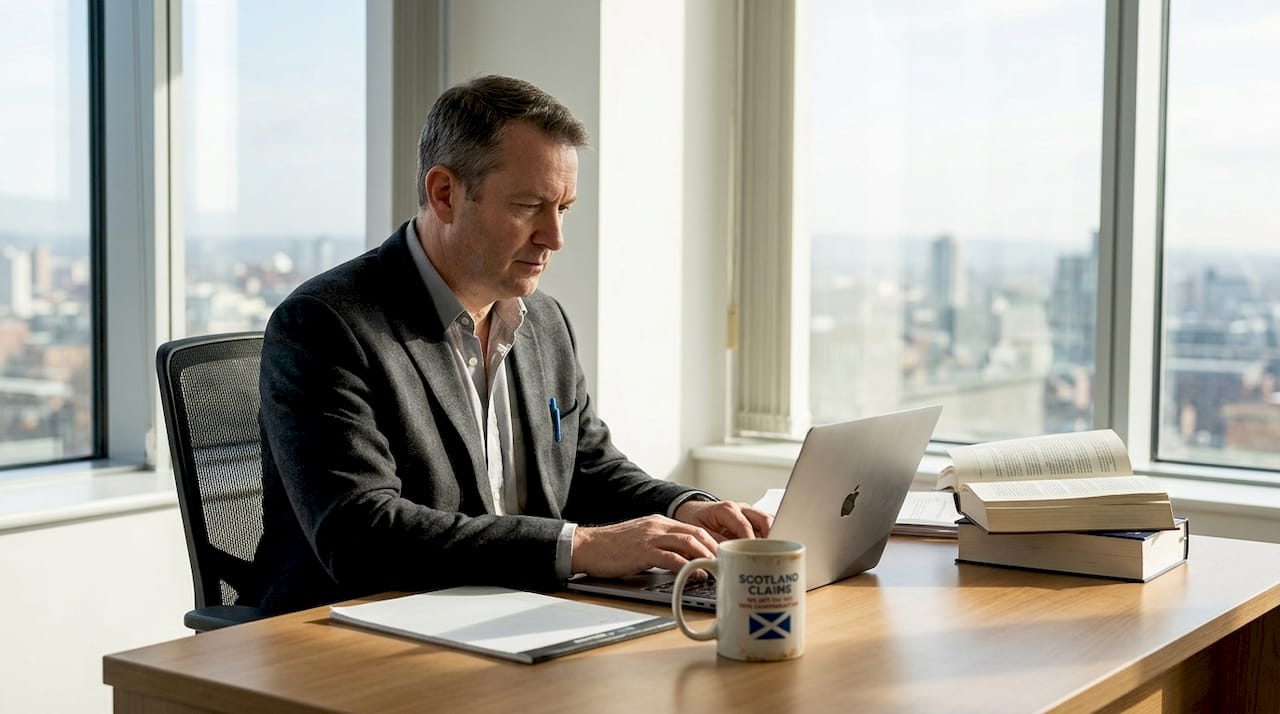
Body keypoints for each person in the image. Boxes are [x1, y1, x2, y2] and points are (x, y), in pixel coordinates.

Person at [249, 74, 772, 615]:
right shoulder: (325, 324)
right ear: (445, 194)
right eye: (529, 207)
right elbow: (361, 535)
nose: (554, 236)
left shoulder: (543, 321)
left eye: (563, 208)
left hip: (519, 612)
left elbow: (587, 469)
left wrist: (684, 509)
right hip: (357, 631)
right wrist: (582, 547)